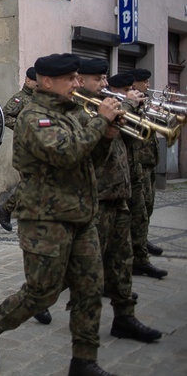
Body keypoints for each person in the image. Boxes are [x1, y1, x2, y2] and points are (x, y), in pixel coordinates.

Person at [0, 53, 122, 375]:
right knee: (42, 294)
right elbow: (66, 154)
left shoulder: (75, 113)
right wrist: (101, 122)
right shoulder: (33, 117)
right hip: (46, 220)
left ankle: (84, 361)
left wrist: (105, 136)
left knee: (90, 288)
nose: (78, 84)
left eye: (79, 78)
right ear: (48, 82)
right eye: (71, 79)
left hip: (81, 216)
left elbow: (91, 159)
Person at [76, 66, 162, 342]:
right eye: (98, 78)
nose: (104, 82)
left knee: (122, 259)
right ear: (81, 80)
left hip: (121, 191)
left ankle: (124, 316)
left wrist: (133, 109)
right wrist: (120, 107)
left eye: (104, 78)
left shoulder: (107, 104)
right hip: (98, 193)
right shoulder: (80, 108)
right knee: (91, 263)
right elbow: (86, 143)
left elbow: (133, 135)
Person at [108, 73, 168, 280]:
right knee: (116, 230)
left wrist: (149, 113)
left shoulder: (130, 107)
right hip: (117, 177)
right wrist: (129, 106)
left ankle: (138, 260)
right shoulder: (108, 109)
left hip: (135, 170)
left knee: (141, 215)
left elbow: (142, 134)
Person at [0, 66, 37, 232]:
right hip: (26, 147)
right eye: (35, 82)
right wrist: (22, 127)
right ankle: (8, 209)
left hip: (39, 146)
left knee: (33, 183)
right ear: (27, 80)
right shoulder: (20, 98)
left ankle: (7, 209)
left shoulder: (40, 98)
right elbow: (5, 116)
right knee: (30, 182)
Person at [128, 69, 163, 257]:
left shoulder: (146, 101)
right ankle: (137, 246)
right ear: (135, 83)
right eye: (145, 82)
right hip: (139, 161)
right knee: (140, 208)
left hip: (150, 159)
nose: (148, 85)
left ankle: (143, 240)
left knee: (148, 205)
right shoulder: (130, 103)